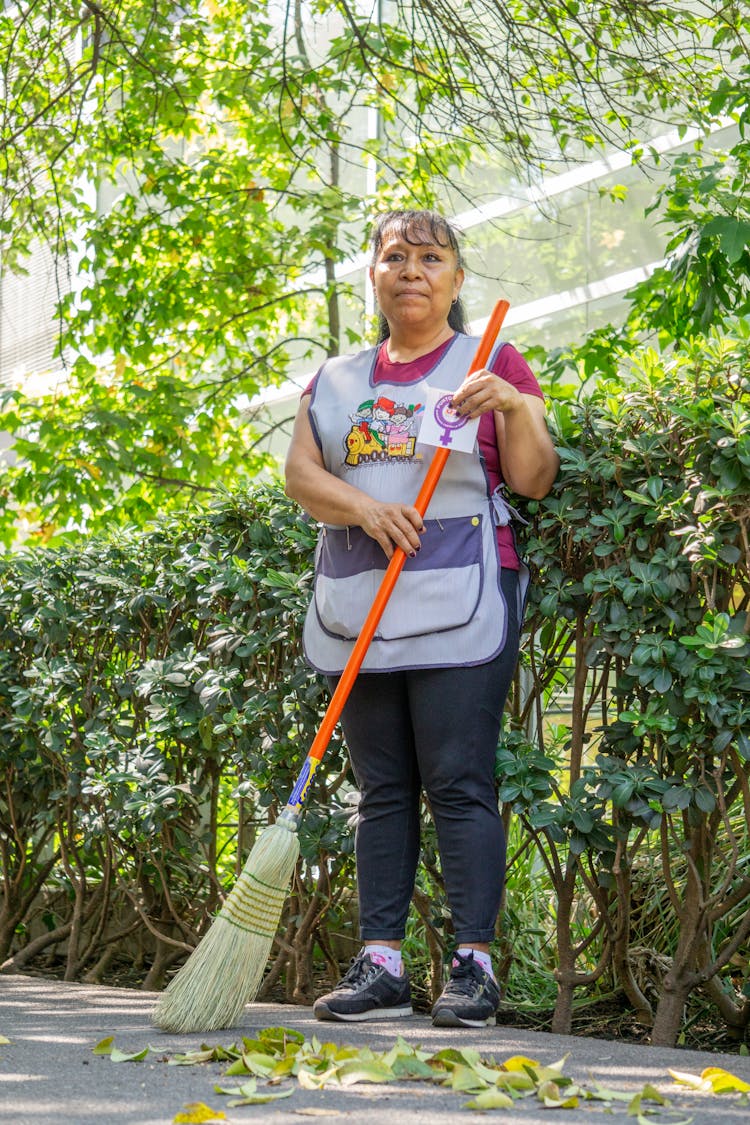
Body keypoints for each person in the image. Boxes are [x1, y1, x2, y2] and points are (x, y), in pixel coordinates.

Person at [284, 209, 559, 1028]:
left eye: (431, 256)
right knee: (383, 788)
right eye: (394, 255)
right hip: (361, 601)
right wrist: (366, 508)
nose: (412, 268)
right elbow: (301, 476)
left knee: (459, 777)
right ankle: (383, 966)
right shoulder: (334, 381)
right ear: (371, 274)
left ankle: (473, 969)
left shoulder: (492, 361)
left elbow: (536, 480)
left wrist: (513, 405)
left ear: (456, 278)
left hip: (463, 598)